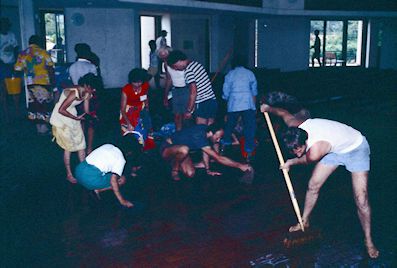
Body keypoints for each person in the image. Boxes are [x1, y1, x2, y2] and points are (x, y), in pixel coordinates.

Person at [260, 103, 379, 259]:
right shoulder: (295, 126)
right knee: (313, 185)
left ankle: (368, 240)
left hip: (355, 148)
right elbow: (283, 113)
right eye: (292, 151)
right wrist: (268, 108)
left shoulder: (315, 151)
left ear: (305, 143)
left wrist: (290, 162)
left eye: (299, 149)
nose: (297, 153)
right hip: (334, 148)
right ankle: (305, 220)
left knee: (361, 199)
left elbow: (303, 160)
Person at [50, 73, 100, 183]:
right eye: (93, 88)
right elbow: (61, 109)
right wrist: (76, 118)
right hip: (61, 117)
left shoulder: (87, 93)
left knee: (81, 144)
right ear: (86, 85)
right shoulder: (74, 92)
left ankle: (83, 171)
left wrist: (91, 116)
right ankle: (69, 174)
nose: (94, 91)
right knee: (69, 146)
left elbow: (86, 111)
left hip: (72, 114)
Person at [161, 122, 252, 181]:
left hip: (180, 152)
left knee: (190, 173)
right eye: (218, 137)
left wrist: (208, 170)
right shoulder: (199, 135)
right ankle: (174, 170)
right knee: (184, 149)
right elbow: (218, 158)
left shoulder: (205, 131)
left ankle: (173, 163)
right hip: (167, 148)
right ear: (212, 132)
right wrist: (240, 165)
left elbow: (205, 151)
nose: (218, 140)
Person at [14, 35, 55, 135]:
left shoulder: (23, 53)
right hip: (44, 82)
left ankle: (38, 128)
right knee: (44, 105)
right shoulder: (43, 52)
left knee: (34, 105)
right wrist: (53, 81)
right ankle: (44, 127)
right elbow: (50, 67)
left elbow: (17, 69)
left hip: (30, 82)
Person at [75, 143, 134, 208]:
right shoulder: (121, 159)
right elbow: (113, 181)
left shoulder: (108, 145)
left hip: (78, 170)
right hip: (89, 179)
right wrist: (122, 201)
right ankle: (98, 190)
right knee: (122, 179)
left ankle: (96, 188)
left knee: (108, 173)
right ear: (129, 153)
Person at [167, 50, 217, 126]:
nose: (176, 69)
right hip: (212, 101)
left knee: (200, 130)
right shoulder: (196, 64)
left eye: (175, 66)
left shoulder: (188, 71)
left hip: (202, 102)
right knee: (211, 129)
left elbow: (193, 92)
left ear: (179, 61)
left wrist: (189, 111)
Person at [222, 56, 257, 162]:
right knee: (249, 127)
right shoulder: (250, 73)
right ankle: (249, 151)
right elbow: (254, 92)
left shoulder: (230, 74)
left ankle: (224, 146)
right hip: (247, 102)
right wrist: (254, 107)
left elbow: (226, 91)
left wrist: (225, 99)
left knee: (229, 125)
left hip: (234, 102)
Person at [120, 68, 154, 175]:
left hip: (141, 112)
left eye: (140, 82)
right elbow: (122, 108)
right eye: (135, 82)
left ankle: (140, 162)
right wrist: (129, 123)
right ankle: (131, 166)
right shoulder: (126, 89)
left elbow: (145, 98)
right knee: (131, 140)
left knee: (143, 137)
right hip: (128, 114)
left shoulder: (145, 86)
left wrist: (147, 108)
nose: (138, 84)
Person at [69, 43, 101, 154]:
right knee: (91, 123)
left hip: (78, 96)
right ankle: (90, 147)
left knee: (81, 121)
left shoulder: (72, 67)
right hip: (91, 97)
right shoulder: (91, 66)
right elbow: (95, 83)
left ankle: (81, 145)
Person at [163, 53, 189, 131]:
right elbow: (169, 80)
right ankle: (178, 133)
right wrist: (165, 96)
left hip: (186, 90)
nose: (163, 57)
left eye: (165, 55)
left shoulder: (183, 64)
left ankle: (186, 133)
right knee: (177, 115)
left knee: (186, 115)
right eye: (161, 56)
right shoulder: (166, 65)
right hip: (175, 90)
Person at [0, 17, 19, 122]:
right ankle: (6, 114)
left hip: (12, 64)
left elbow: (16, 48)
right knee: (3, 90)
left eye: (6, 24)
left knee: (14, 89)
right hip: (1, 65)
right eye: (3, 24)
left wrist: (17, 62)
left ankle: (16, 112)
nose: (5, 26)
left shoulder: (12, 35)